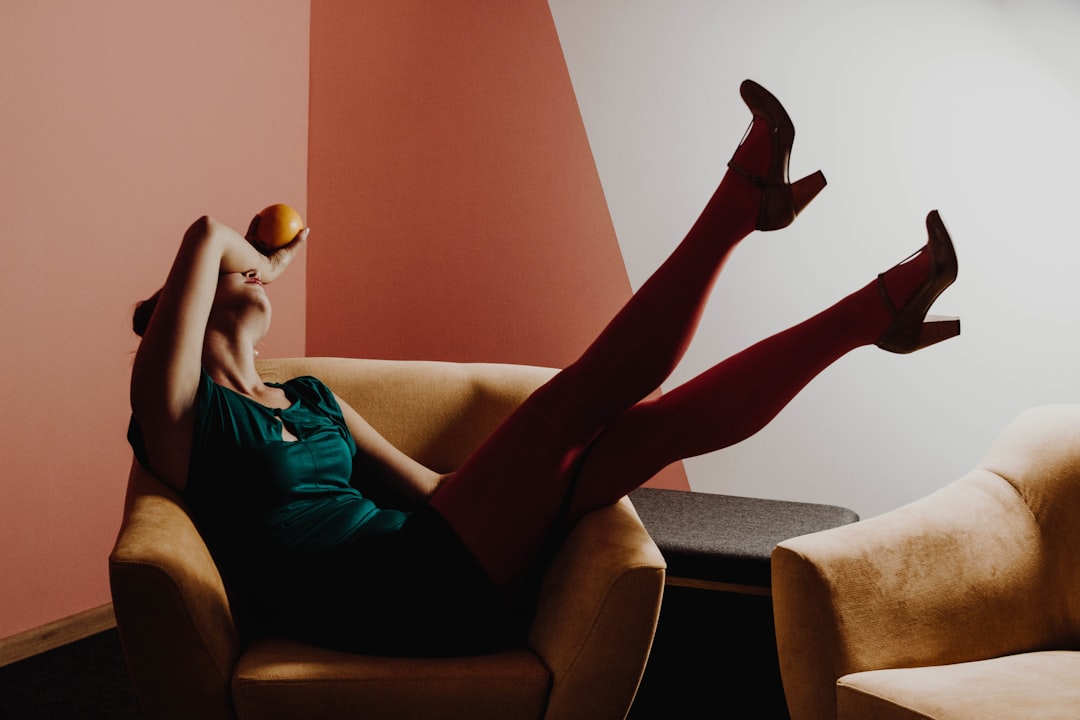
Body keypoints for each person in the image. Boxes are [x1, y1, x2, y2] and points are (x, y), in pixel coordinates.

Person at [128, 80, 959, 657]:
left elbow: (430, 490)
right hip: (408, 596)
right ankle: (745, 204)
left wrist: (528, 482)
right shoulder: (180, 422)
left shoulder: (310, 400)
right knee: (587, 390)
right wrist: (260, 257)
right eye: (221, 278)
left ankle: (872, 313)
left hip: (442, 546)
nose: (241, 267)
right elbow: (206, 231)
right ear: (183, 312)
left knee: (642, 430)